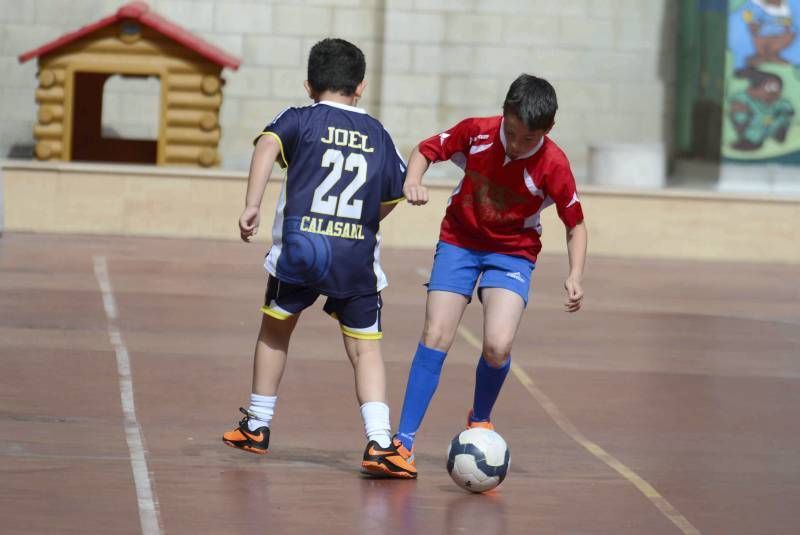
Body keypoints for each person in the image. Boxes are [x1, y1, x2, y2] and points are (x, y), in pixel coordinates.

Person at [222, 38, 416, 479]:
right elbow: (396, 191)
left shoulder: (299, 119)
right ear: (361, 86)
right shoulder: (379, 134)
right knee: (364, 349)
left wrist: (252, 203)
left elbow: (267, 145)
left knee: (275, 331)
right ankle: (380, 442)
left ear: (309, 85)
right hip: (354, 257)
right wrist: (369, 216)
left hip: (301, 249)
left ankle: (257, 425)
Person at [389, 74, 588, 471]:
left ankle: (479, 416)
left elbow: (575, 224)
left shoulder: (554, 164)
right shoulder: (476, 132)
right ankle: (403, 443)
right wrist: (413, 180)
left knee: (497, 345)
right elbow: (425, 150)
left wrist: (575, 274)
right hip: (459, 241)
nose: (515, 145)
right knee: (436, 334)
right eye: (511, 133)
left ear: (547, 132)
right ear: (504, 114)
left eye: (527, 140)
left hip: (512, 253)